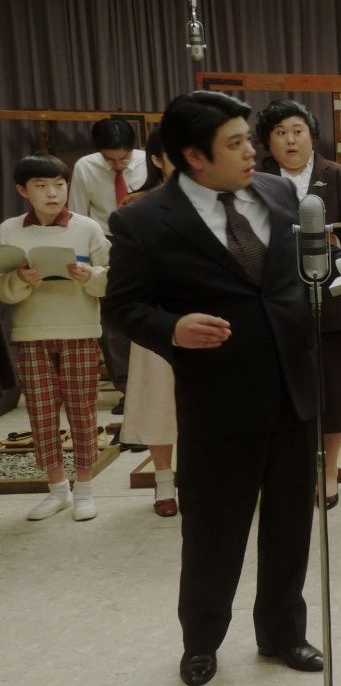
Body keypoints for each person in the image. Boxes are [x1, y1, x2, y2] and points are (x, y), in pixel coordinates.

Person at [103, 90, 323, 686]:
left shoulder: (278, 194)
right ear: (195, 157)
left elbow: (288, 280)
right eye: (236, 143)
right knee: (213, 531)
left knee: (290, 525)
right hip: (218, 399)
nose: (253, 151)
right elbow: (123, 306)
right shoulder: (143, 220)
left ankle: (283, 634)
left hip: (293, 390)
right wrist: (171, 328)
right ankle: (201, 642)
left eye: (249, 139)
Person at [256, 99, 341, 510]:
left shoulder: (337, 176)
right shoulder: (256, 178)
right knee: (280, 396)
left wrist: (337, 238)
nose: (290, 140)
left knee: (333, 395)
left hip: (330, 300)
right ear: (268, 141)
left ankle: (328, 473)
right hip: (273, 305)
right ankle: (287, 472)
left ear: (312, 136)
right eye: (280, 133)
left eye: (297, 131)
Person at [2, 153, 109, 522]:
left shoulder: (88, 228)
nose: (52, 193)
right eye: (41, 186)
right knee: (41, 412)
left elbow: (112, 278)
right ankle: (57, 490)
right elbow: (2, 287)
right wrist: (19, 280)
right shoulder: (8, 230)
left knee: (82, 409)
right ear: (22, 190)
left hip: (79, 330)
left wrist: (90, 276)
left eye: (59, 185)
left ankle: (85, 490)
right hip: (30, 332)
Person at [118, 129, 181, 516]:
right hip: (156, 315)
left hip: (211, 315)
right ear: (157, 159)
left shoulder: (222, 200)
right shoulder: (136, 206)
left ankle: (204, 477)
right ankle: (163, 482)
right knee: (158, 400)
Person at [69, 117, 146, 413]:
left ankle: (156, 389)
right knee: (113, 324)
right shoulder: (85, 167)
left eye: (123, 158)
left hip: (145, 239)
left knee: (150, 315)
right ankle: (127, 391)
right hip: (104, 242)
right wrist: (82, 261)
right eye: (110, 159)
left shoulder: (149, 162)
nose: (118, 165)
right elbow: (77, 214)